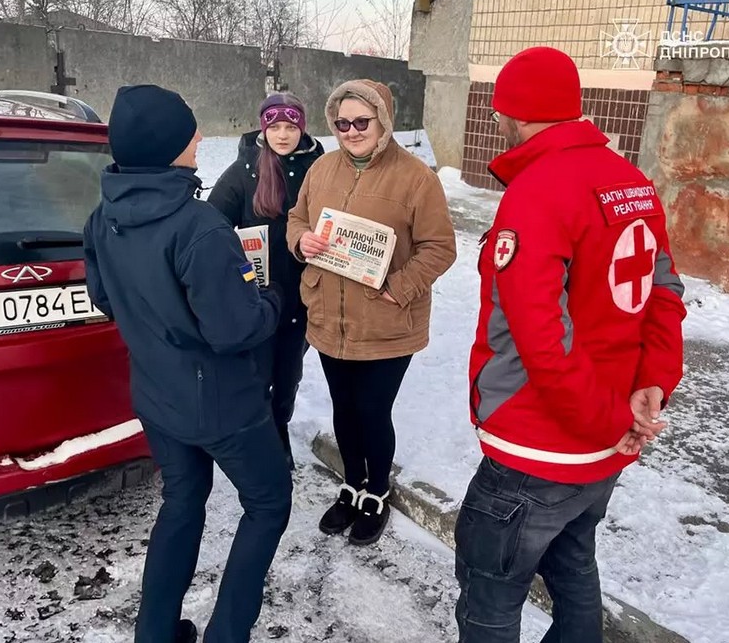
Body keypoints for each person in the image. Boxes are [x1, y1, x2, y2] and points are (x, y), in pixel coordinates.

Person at [456, 47, 686, 643]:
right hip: (603, 446)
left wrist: (611, 420)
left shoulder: (539, 190)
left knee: (490, 598)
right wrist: (651, 387)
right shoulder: (630, 181)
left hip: (541, 444)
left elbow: (540, 337)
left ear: (510, 112)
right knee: (574, 568)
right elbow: (664, 294)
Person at [83, 84, 293, 643]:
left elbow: (105, 297)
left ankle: (154, 633)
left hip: (157, 393)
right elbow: (234, 330)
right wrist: (271, 301)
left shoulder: (104, 217)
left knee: (182, 498)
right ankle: (228, 634)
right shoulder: (199, 228)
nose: (200, 138)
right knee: (269, 502)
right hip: (222, 402)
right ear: (163, 147)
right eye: (189, 132)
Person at [286, 79, 457, 546]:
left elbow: (440, 247)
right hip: (329, 314)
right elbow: (296, 219)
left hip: (385, 321)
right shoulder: (321, 169)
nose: (351, 131)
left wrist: (399, 286)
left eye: (362, 121)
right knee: (344, 407)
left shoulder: (416, 177)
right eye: (342, 123)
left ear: (383, 120)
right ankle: (351, 485)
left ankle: (376, 492)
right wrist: (301, 241)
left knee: (372, 410)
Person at [208, 93, 324, 470]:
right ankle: (259, 444)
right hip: (257, 297)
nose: (283, 135)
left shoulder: (319, 168)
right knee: (256, 377)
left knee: (287, 377)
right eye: (274, 127)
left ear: (302, 128)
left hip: (302, 296)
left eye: (291, 127)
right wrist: (235, 259)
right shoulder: (245, 170)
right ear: (263, 128)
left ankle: (279, 429)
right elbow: (212, 223)